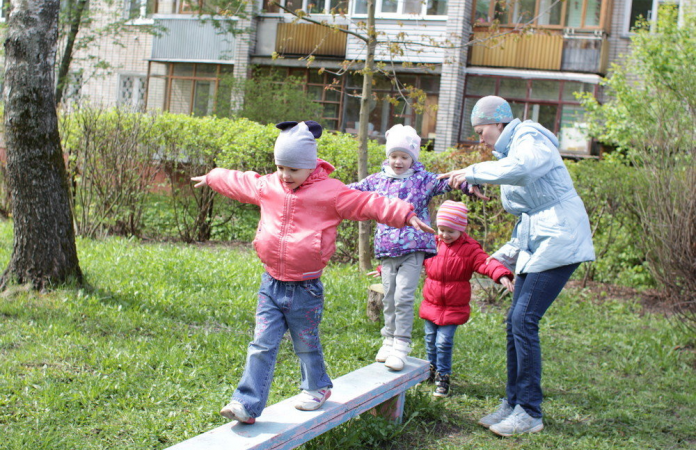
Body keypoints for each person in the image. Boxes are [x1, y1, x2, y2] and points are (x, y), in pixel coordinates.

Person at [192, 121, 434, 425]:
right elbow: (241, 181)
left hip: (305, 288)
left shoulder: (330, 193)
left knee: (305, 343)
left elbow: (368, 202)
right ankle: (246, 403)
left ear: (310, 166)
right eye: (280, 166)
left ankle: (317, 387)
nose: (285, 175)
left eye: (292, 169)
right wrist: (214, 176)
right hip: (271, 283)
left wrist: (405, 215)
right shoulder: (270, 185)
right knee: (261, 344)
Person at [440, 96, 595, 436]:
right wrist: (504, 254)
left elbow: (524, 170)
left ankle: (530, 411)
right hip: (540, 240)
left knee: (524, 319)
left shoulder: (529, 137)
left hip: (561, 239)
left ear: (499, 123)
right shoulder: (509, 154)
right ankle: (513, 403)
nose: (480, 138)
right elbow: (530, 214)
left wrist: (473, 172)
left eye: (482, 131)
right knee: (515, 322)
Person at [349, 124, 472, 372]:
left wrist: (470, 183)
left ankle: (401, 346)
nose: (398, 161)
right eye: (394, 156)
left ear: (412, 158)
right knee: (389, 297)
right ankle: (388, 340)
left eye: (404, 156)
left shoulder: (423, 180)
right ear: (388, 156)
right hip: (386, 249)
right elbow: (349, 193)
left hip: (414, 248)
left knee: (404, 296)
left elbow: (450, 182)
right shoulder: (377, 180)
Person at [420, 200, 514, 398]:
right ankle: (430, 369)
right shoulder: (431, 242)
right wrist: (386, 269)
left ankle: (443, 376)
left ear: (461, 230)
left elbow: (485, 263)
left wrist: (501, 274)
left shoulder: (469, 248)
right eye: (442, 229)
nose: (445, 235)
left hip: (454, 306)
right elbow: (409, 260)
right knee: (430, 340)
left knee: (443, 342)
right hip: (431, 302)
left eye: (450, 231)